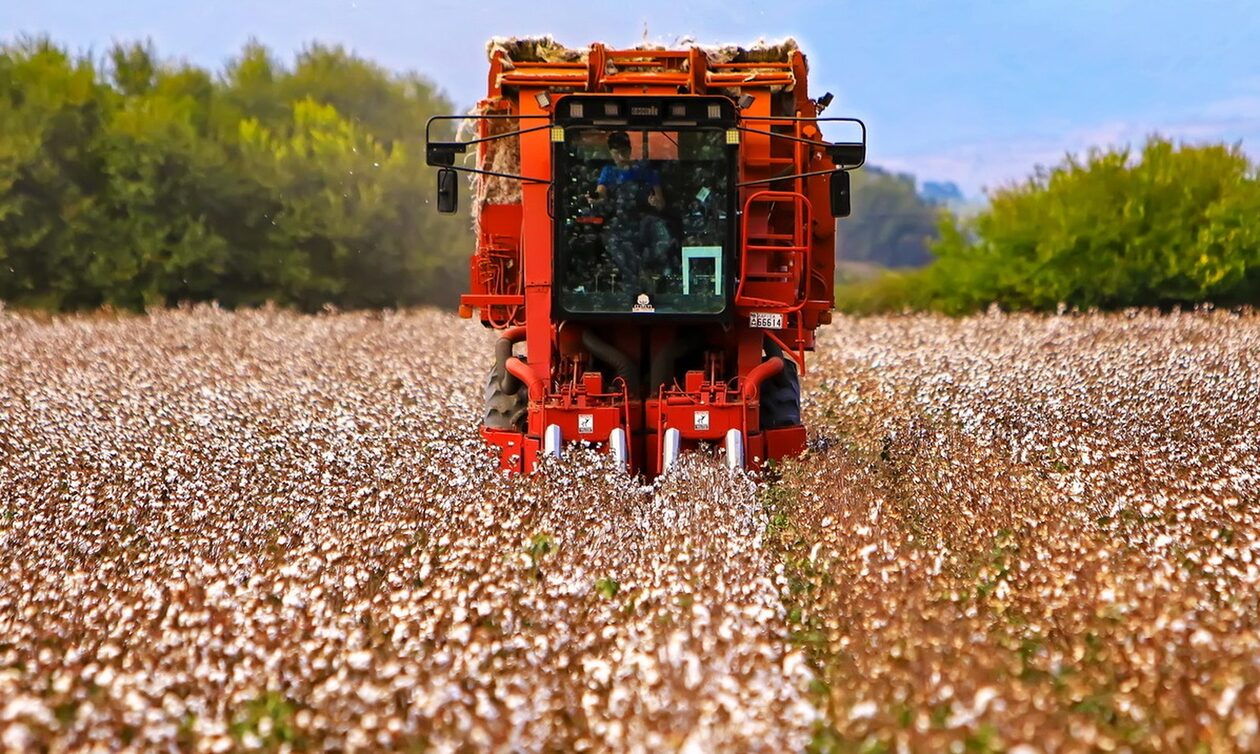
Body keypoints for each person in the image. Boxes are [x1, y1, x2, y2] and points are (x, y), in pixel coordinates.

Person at [592, 131, 673, 292]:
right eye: (616, 153)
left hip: (644, 222)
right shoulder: (608, 171)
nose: (621, 157)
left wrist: (654, 202)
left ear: (630, 150)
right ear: (610, 153)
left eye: (624, 152)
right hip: (619, 223)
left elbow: (660, 203)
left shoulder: (646, 171)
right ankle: (632, 284)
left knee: (663, 236)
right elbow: (601, 193)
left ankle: (649, 278)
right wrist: (595, 198)